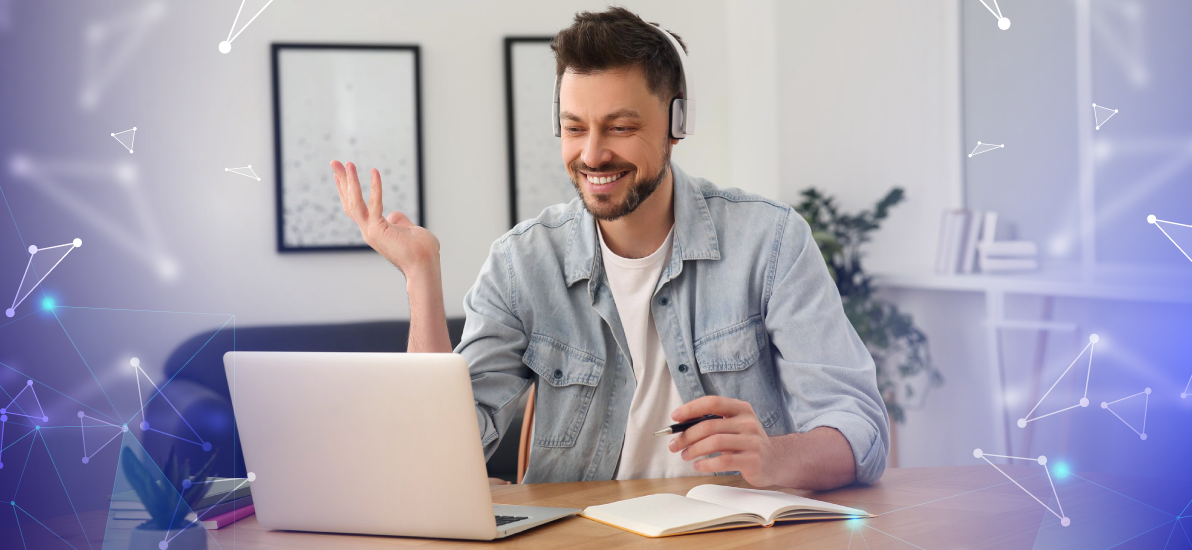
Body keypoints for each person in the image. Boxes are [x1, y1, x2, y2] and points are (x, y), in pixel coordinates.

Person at [330, 7, 887, 491]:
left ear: (677, 123)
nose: (592, 155)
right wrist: (421, 276)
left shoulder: (771, 242)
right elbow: (438, 451)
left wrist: (775, 456)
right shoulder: (522, 263)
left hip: (734, 535)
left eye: (619, 127)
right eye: (574, 128)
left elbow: (860, 428)